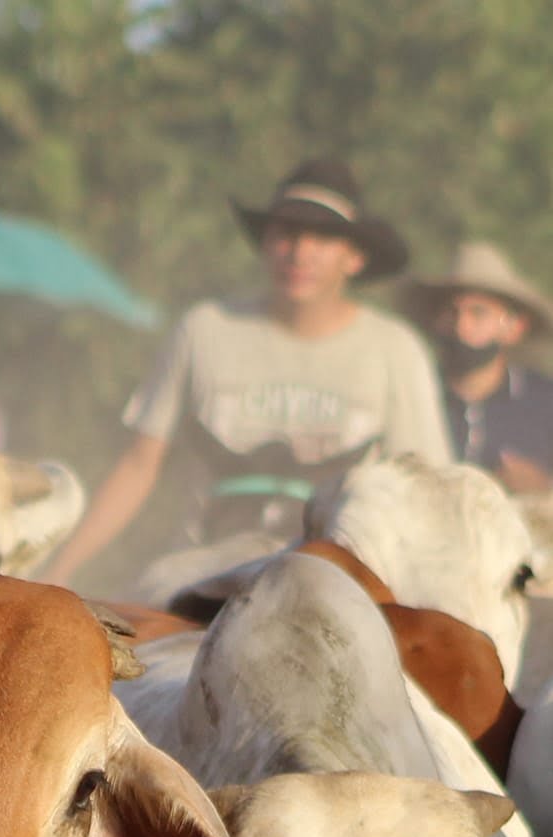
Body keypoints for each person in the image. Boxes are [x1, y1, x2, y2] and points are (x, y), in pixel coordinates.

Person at [45, 159, 450, 589]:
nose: (300, 251)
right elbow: (139, 465)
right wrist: (60, 571)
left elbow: (425, 494)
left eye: (323, 237)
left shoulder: (394, 350)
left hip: (337, 584)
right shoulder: (205, 331)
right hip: (199, 578)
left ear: (354, 257)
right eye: (286, 232)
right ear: (266, 242)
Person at [403, 242, 553, 493]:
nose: (461, 326)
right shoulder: (411, 394)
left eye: (478, 313)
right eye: (452, 312)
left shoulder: (545, 402)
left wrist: (543, 487)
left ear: (513, 327)